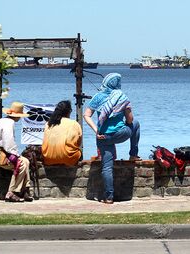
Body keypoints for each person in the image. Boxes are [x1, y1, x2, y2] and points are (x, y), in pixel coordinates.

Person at [83, 73, 140, 204]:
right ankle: (133, 154)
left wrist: (97, 130)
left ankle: (109, 197)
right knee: (136, 124)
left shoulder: (98, 97)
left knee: (107, 167)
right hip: (120, 134)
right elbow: (130, 119)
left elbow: (87, 115)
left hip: (102, 136)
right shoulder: (122, 97)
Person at [0, 101, 33, 202]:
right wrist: (15, 154)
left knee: (26, 161)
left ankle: (24, 189)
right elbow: (8, 142)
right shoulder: (9, 123)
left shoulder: (3, 120)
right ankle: (12, 192)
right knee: (21, 164)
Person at [42, 100, 82, 166]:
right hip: (68, 158)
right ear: (69, 111)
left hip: (48, 158)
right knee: (79, 152)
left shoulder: (48, 124)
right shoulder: (74, 123)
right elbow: (78, 142)